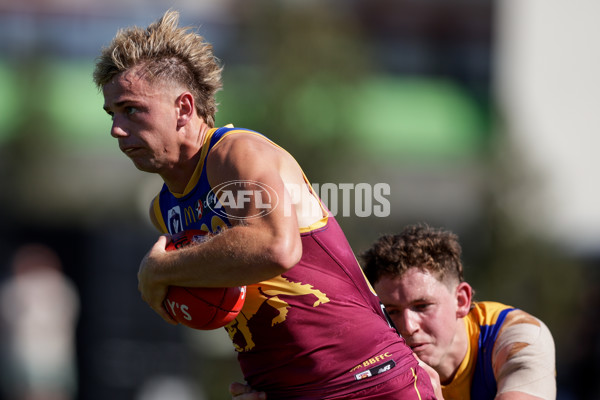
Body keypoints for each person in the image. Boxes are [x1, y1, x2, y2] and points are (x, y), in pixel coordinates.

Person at [93, 10, 435, 399]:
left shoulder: (237, 152)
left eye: (131, 109)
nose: (116, 129)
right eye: (112, 113)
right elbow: (230, 301)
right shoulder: (165, 208)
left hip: (371, 383)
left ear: (184, 108)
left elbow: (276, 246)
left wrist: (160, 269)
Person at [361, 224, 556, 400]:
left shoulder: (518, 337)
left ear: (461, 301)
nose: (408, 327)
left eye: (422, 306)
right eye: (391, 312)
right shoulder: (367, 357)